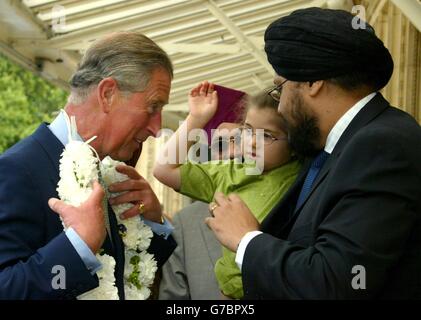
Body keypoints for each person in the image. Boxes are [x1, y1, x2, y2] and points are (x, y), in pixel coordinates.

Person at [204, 7, 421, 299]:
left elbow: (335, 280)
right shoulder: (337, 148)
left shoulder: (381, 146)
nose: (279, 108)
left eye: (280, 89)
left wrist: (246, 240)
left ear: (312, 82)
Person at [0, 32, 176, 299]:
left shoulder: (102, 170)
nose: (156, 128)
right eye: (153, 106)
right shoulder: (15, 171)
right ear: (107, 94)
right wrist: (78, 247)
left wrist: (152, 221)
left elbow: (118, 278)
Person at [154, 83, 300, 299]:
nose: (251, 143)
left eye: (267, 136)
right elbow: (163, 169)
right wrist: (195, 119)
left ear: (296, 142)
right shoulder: (227, 174)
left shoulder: (303, 176)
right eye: (248, 131)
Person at [158, 122, 242, 300]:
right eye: (221, 145)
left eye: (241, 141)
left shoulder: (287, 207)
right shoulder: (186, 222)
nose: (233, 153)